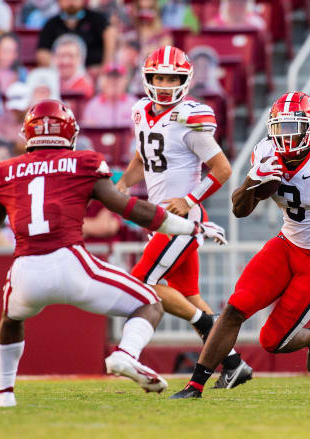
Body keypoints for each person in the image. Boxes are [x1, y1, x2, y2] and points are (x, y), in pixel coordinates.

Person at [0, 98, 228, 407]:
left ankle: (4, 394)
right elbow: (131, 209)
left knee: (11, 317)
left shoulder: (5, 171)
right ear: (69, 133)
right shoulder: (83, 162)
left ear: (28, 135)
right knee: (149, 302)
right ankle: (125, 355)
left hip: (26, 271)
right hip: (72, 263)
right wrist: (191, 227)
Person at [170, 91, 310, 399]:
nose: (286, 136)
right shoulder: (267, 155)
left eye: (294, 128)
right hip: (286, 245)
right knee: (234, 308)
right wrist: (253, 181)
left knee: (272, 341)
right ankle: (195, 385)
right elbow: (240, 210)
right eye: (281, 128)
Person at [116, 46, 253, 388]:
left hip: (180, 221)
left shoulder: (190, 120)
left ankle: (204, 330)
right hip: (161, 220)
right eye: (159, 77)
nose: (164, 84)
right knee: (189, 295)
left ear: (185, 80)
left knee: (143, 283)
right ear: (148, 79)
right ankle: (234, 363)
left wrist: (188, 198)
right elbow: (143, 156)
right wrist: (121, 186)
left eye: (172, 78)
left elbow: (222, 169)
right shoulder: (139, 112)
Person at [37, 0, 116, 74]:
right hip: (61, 76)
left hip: (94, 74)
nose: (71, 1)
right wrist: (63, 71)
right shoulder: (51, 24)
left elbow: (110, 35)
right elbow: (42, 54)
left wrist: (104, 68)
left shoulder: (97, 19)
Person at [82, 63, 137, 128]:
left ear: (125, 81)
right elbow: (89, 134)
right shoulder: (92, 106)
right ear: (102, 80)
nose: (113, 81)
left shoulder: (135, 105)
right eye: (109, 77)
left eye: (117, 77)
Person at [52, 33, 94, 99]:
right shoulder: (48, 83)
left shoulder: (84, 87)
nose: (65, 61)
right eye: (61, 56)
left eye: (70, 56)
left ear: (80, 59)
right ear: (54, 58)